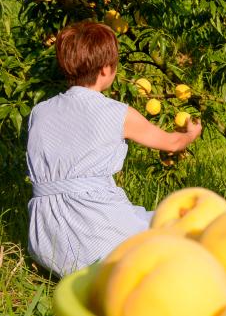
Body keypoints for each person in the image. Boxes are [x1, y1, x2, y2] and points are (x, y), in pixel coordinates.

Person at [26, 21, 202, 277]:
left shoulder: (39, 112)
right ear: (106, 69)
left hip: (45, 238)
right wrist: (190, 133)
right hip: (96, 229)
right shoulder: (116, 113)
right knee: (180, 227)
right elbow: (171, 143)